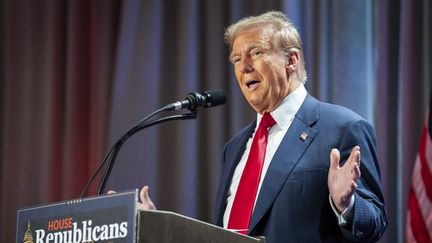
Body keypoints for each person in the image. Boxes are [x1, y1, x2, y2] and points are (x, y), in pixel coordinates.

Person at [138, 10, 387, 243]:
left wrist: (347, 205)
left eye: (255, 53)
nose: (244, 66)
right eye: (236, 58)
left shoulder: (343, 128)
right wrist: (158, 226)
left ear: (291, 60)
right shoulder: (234, 148)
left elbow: (375, 223)